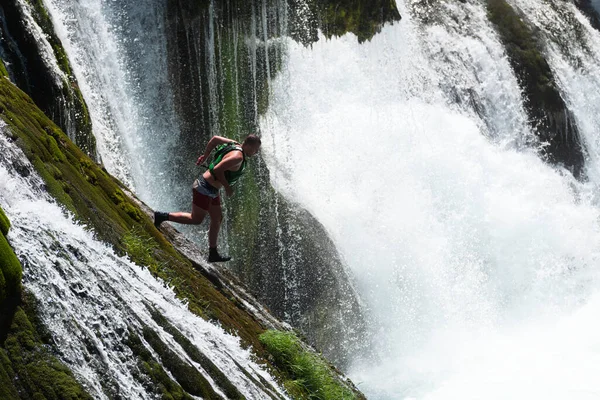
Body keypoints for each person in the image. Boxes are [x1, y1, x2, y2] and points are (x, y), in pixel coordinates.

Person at [154, 134, 261, 262]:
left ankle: (213, 253)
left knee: (217, 218)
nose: (256, 153)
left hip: (212, 189)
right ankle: (161, 216)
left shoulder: (234, 144)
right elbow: (217, 170)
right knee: (196, 219)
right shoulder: (237, 157)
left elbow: (215, 139)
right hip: (204, 188)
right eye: (255, 149)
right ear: (248, 145)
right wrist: (227, 187)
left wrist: (205, 156)